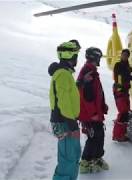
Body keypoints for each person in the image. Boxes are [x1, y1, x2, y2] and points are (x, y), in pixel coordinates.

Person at [48, 41, 81, 180]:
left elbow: (66, 95)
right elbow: (63, 100)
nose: (77, 59)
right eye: (76, 55)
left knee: (73, 155)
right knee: (68, 158)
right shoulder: (63, 74)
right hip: (65, 122)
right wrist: (71, 122)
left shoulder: (65, 74)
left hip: (68, 121)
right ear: (70, 56)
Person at [77, 47, 109, 173]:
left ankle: (96, 158)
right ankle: (85, 162)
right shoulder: (88, 71)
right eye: (98, 57)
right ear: (95, 58)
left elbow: (96, 92)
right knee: (94, 136)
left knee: (99, 135)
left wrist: (102, 105)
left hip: (94, 112)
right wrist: (94, 113)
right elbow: (87, 96)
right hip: (90, 114)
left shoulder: (91, 70)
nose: (99, 60)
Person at [112, 49, 132, 142]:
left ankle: (122, 133)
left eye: (127, 55)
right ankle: (117, 135)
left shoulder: (126, 66)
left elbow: (126, 76)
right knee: (123, 113)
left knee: (126, 114)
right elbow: (123, 76)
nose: (125, 56)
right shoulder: (118, 65)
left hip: (125, 92)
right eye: (124, 54)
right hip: (119, 91)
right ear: (121, 55)